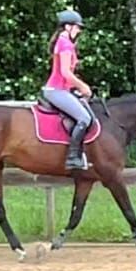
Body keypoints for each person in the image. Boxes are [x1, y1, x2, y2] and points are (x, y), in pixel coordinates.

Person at [42, 9, 95, 170]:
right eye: (77, 27)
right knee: (84, 118)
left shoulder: (65, 43)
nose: (79, 31)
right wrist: (83, 86)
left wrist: (77, 87)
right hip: (56, 90)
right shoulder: (65, 44)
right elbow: (65, 73)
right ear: (67, 27)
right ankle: (73, 157)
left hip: (63, 89)